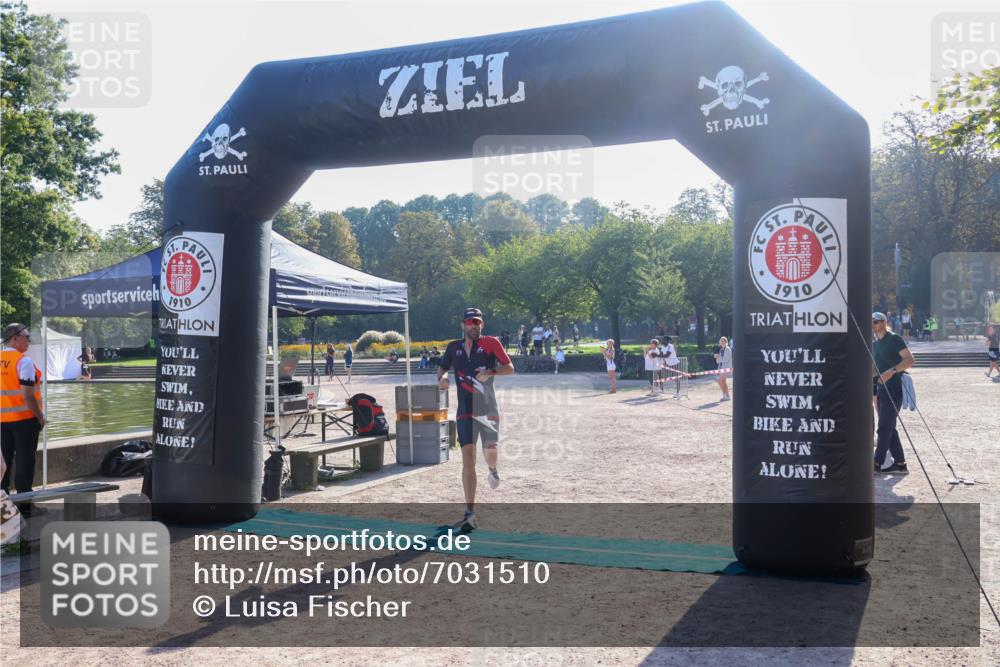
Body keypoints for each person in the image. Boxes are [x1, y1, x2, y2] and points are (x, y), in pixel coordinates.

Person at [437, 307, 514, 531]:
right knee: (468, 457)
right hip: (465, 412)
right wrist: (441, 378)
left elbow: (509, 367)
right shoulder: (454, 348)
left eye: (478, 322)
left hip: (488, 410)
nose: (474, 325)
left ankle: (492, 469)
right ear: (463, 325)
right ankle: (470, 512)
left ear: (482, 325)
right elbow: (442, 368)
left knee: (490, 454)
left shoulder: (491, 343)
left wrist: (491, 372)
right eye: (470, 322)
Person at [1, 324, 45, 498]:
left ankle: (3, 508)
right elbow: (28, 396)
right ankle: (25, 506)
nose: (29, 341)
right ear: (14, 339)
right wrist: (40, 418)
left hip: (1, 421)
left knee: (3, 464)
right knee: (25, 463)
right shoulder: (23, 361)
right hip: (25, 420)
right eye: (26, 337)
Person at [872, 311, 914, 473]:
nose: (873, 325)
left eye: (876, 322)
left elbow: (909, 360)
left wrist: (892, 371)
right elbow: (875, 370)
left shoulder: (894, 338)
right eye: (871, 322)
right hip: (881, 391)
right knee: (889, 427)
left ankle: (876, 463)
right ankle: (900, 463)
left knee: (883, 427)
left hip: (894, 389)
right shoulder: (875, 344)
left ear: (884, 322)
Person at [714, 336, 732, 401]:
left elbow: (726, 359)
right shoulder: (721, 350)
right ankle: (726, 396)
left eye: (723, 341)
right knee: (723, 382)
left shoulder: (728, 349)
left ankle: (726, 395)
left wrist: (718, 357)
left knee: (720, 381)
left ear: (726, 342)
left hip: (726, 368)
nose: (722, 342)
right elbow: (717, 361)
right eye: (721, 341)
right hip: (721, 368)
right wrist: (717, 357)